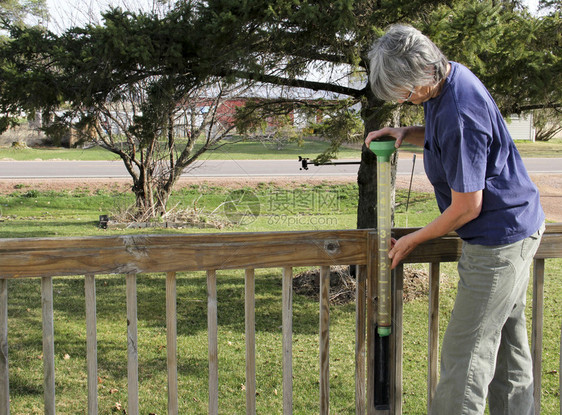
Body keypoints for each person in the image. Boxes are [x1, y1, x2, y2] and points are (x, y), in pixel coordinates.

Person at [365, 24, 545, 415]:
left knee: (464, 357)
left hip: (498, 241)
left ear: (422, 72)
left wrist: (414, 240)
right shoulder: (449, 77)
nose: (406, 99)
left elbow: (467, 207)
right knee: (508, 353)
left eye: (405, 91)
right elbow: (446, 134)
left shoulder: (459, 107)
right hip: (518, 228)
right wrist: (406, 133)